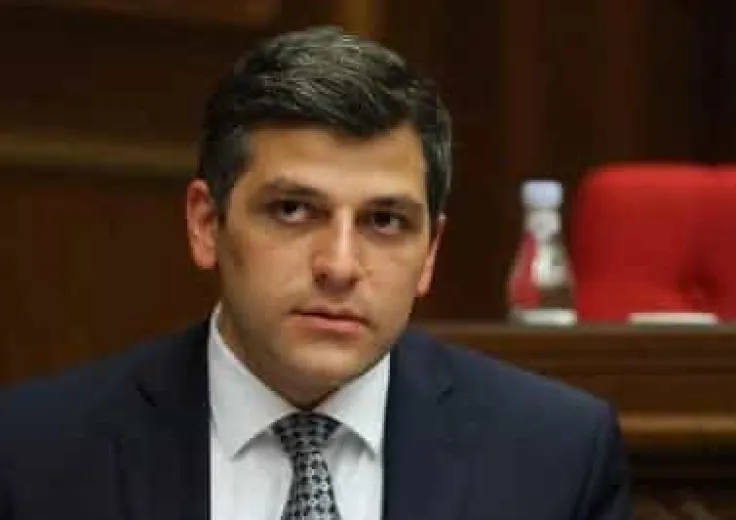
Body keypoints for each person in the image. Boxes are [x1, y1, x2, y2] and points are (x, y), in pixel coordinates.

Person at [0, 26, 633, 520]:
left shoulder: (555, 457)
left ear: (430, 252)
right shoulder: (32, 454)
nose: (339, 266)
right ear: (206, 224)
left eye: (384, 221)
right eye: (293, 211)